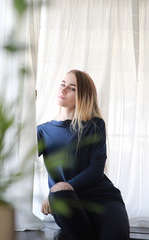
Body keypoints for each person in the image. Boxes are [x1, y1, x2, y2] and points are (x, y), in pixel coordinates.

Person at [37, 70, 130, 240]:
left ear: (83, 96)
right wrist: (55, 193)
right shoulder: (42, 131)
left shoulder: (94, 125)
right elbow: (19, 161)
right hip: (66, 201)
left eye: (72, 88)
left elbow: (95, 170)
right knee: (58, 194)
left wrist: (63, 186)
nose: (63, 90)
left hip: (103, 199)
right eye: (62, 84)